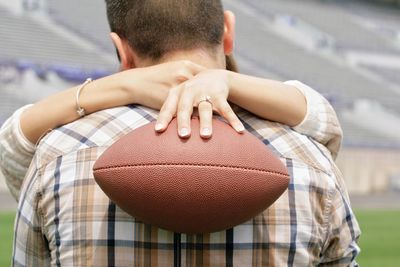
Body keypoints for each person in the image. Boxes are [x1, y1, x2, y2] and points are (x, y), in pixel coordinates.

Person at [6, 0, 360, 266]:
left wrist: (113, 87)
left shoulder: (59, 154)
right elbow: (326, 127)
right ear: (228, 32)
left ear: (120, 48)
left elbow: (13, 147)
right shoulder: (309, 159)